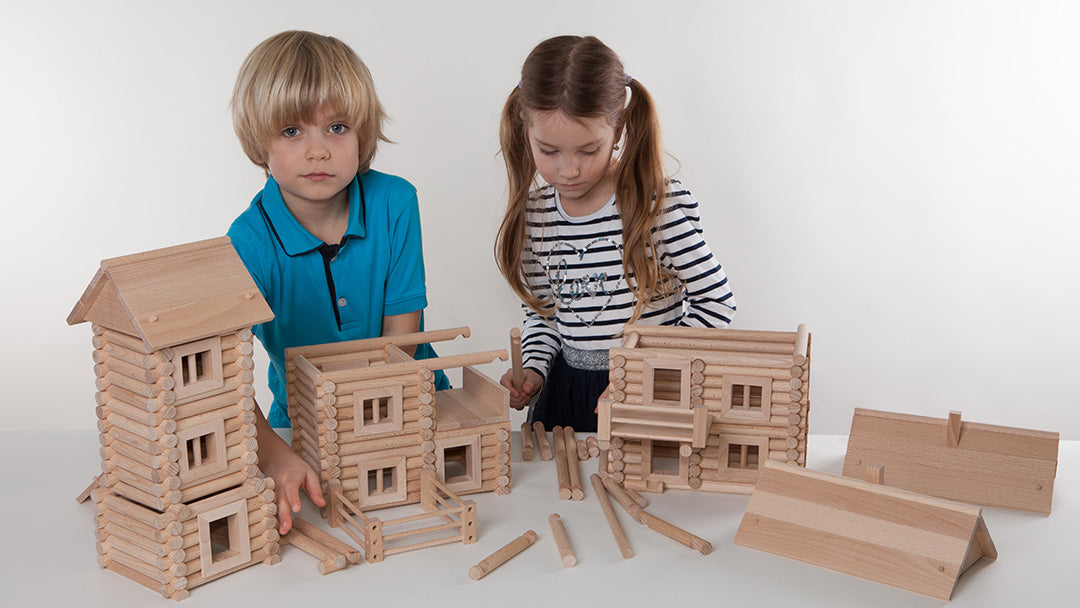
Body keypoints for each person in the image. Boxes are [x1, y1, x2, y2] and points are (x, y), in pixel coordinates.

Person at [227, 30, 446, 534]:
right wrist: (277, 459)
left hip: (407, 402)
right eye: (291, 132)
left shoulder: (395, 203)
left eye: (337, 127)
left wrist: (374, 429)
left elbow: (403, 341)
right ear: (258, 140)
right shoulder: (246, 243)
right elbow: (227, 381)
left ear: (362, 134)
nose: (318, 151)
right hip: (301, 428)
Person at [495, 35, 736, 432]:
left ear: (619, 128)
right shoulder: (534, 216)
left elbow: (716, 304)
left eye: (587, 151)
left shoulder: (656, 204)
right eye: (548, 151)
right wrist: (534, 370)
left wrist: (645, 374)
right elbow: (545, 317)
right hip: (566, 396)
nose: (568, 170)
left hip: (646, 390)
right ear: (526, 130)